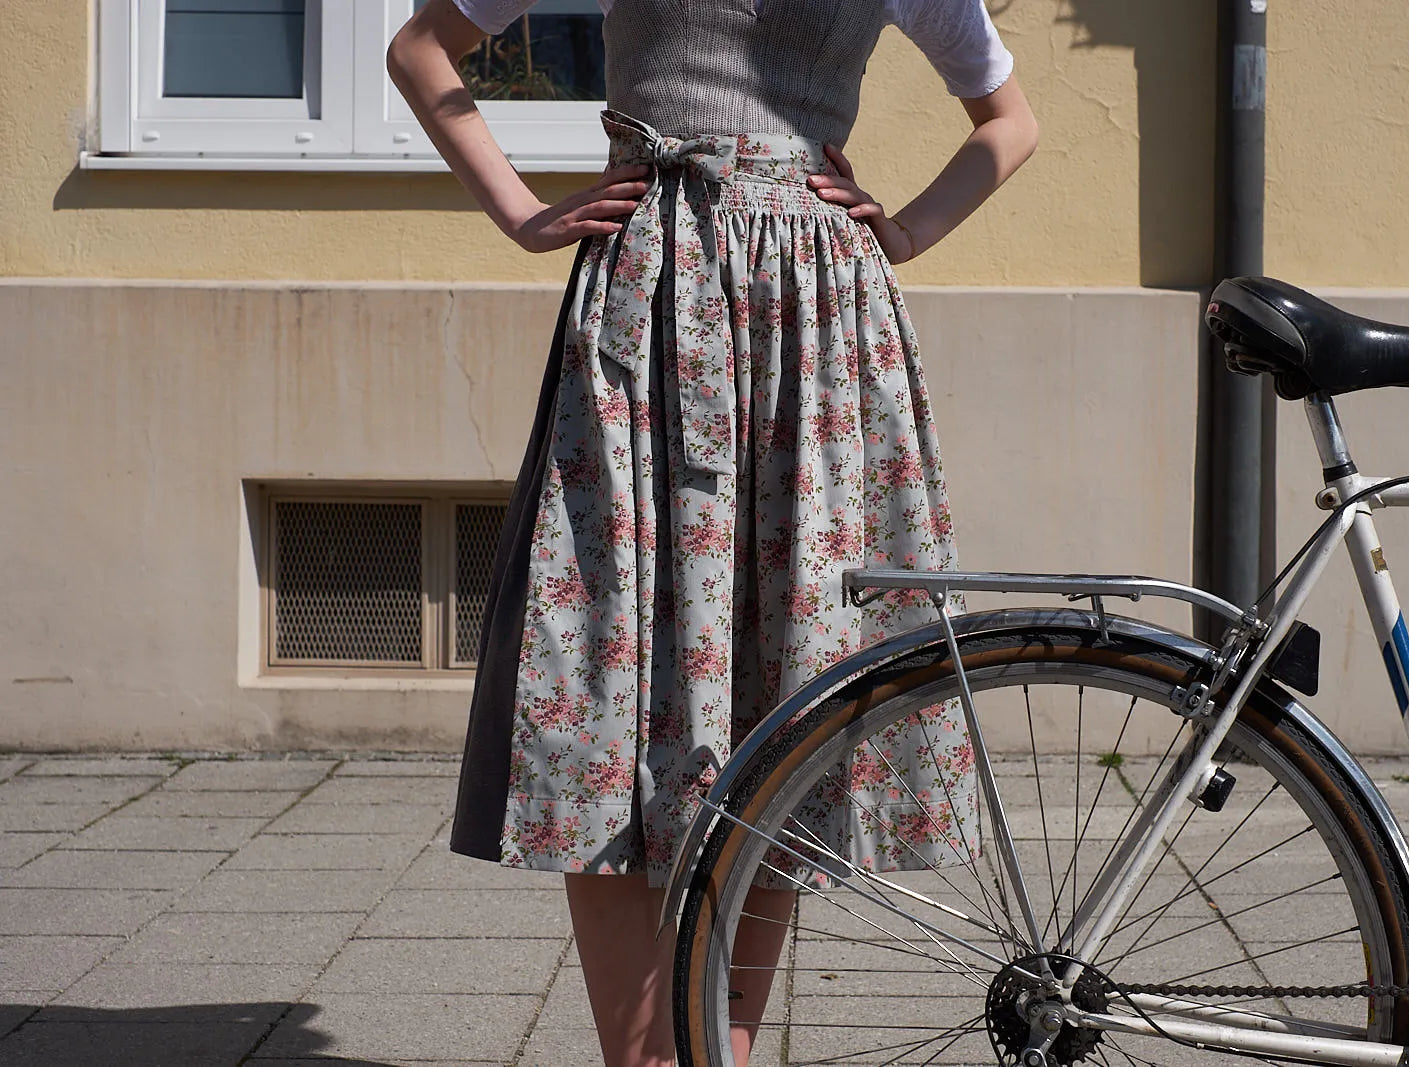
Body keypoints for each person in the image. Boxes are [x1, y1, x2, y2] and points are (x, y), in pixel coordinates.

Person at [387, 3, 1036, 1064]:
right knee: (605, 669)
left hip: (814, 320)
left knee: (781, 677)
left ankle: (718, 1043)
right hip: (653, 302)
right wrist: (518, 211)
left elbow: (1006, 120)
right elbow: (421, 48)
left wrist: (906, 229)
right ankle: (652, 1053)